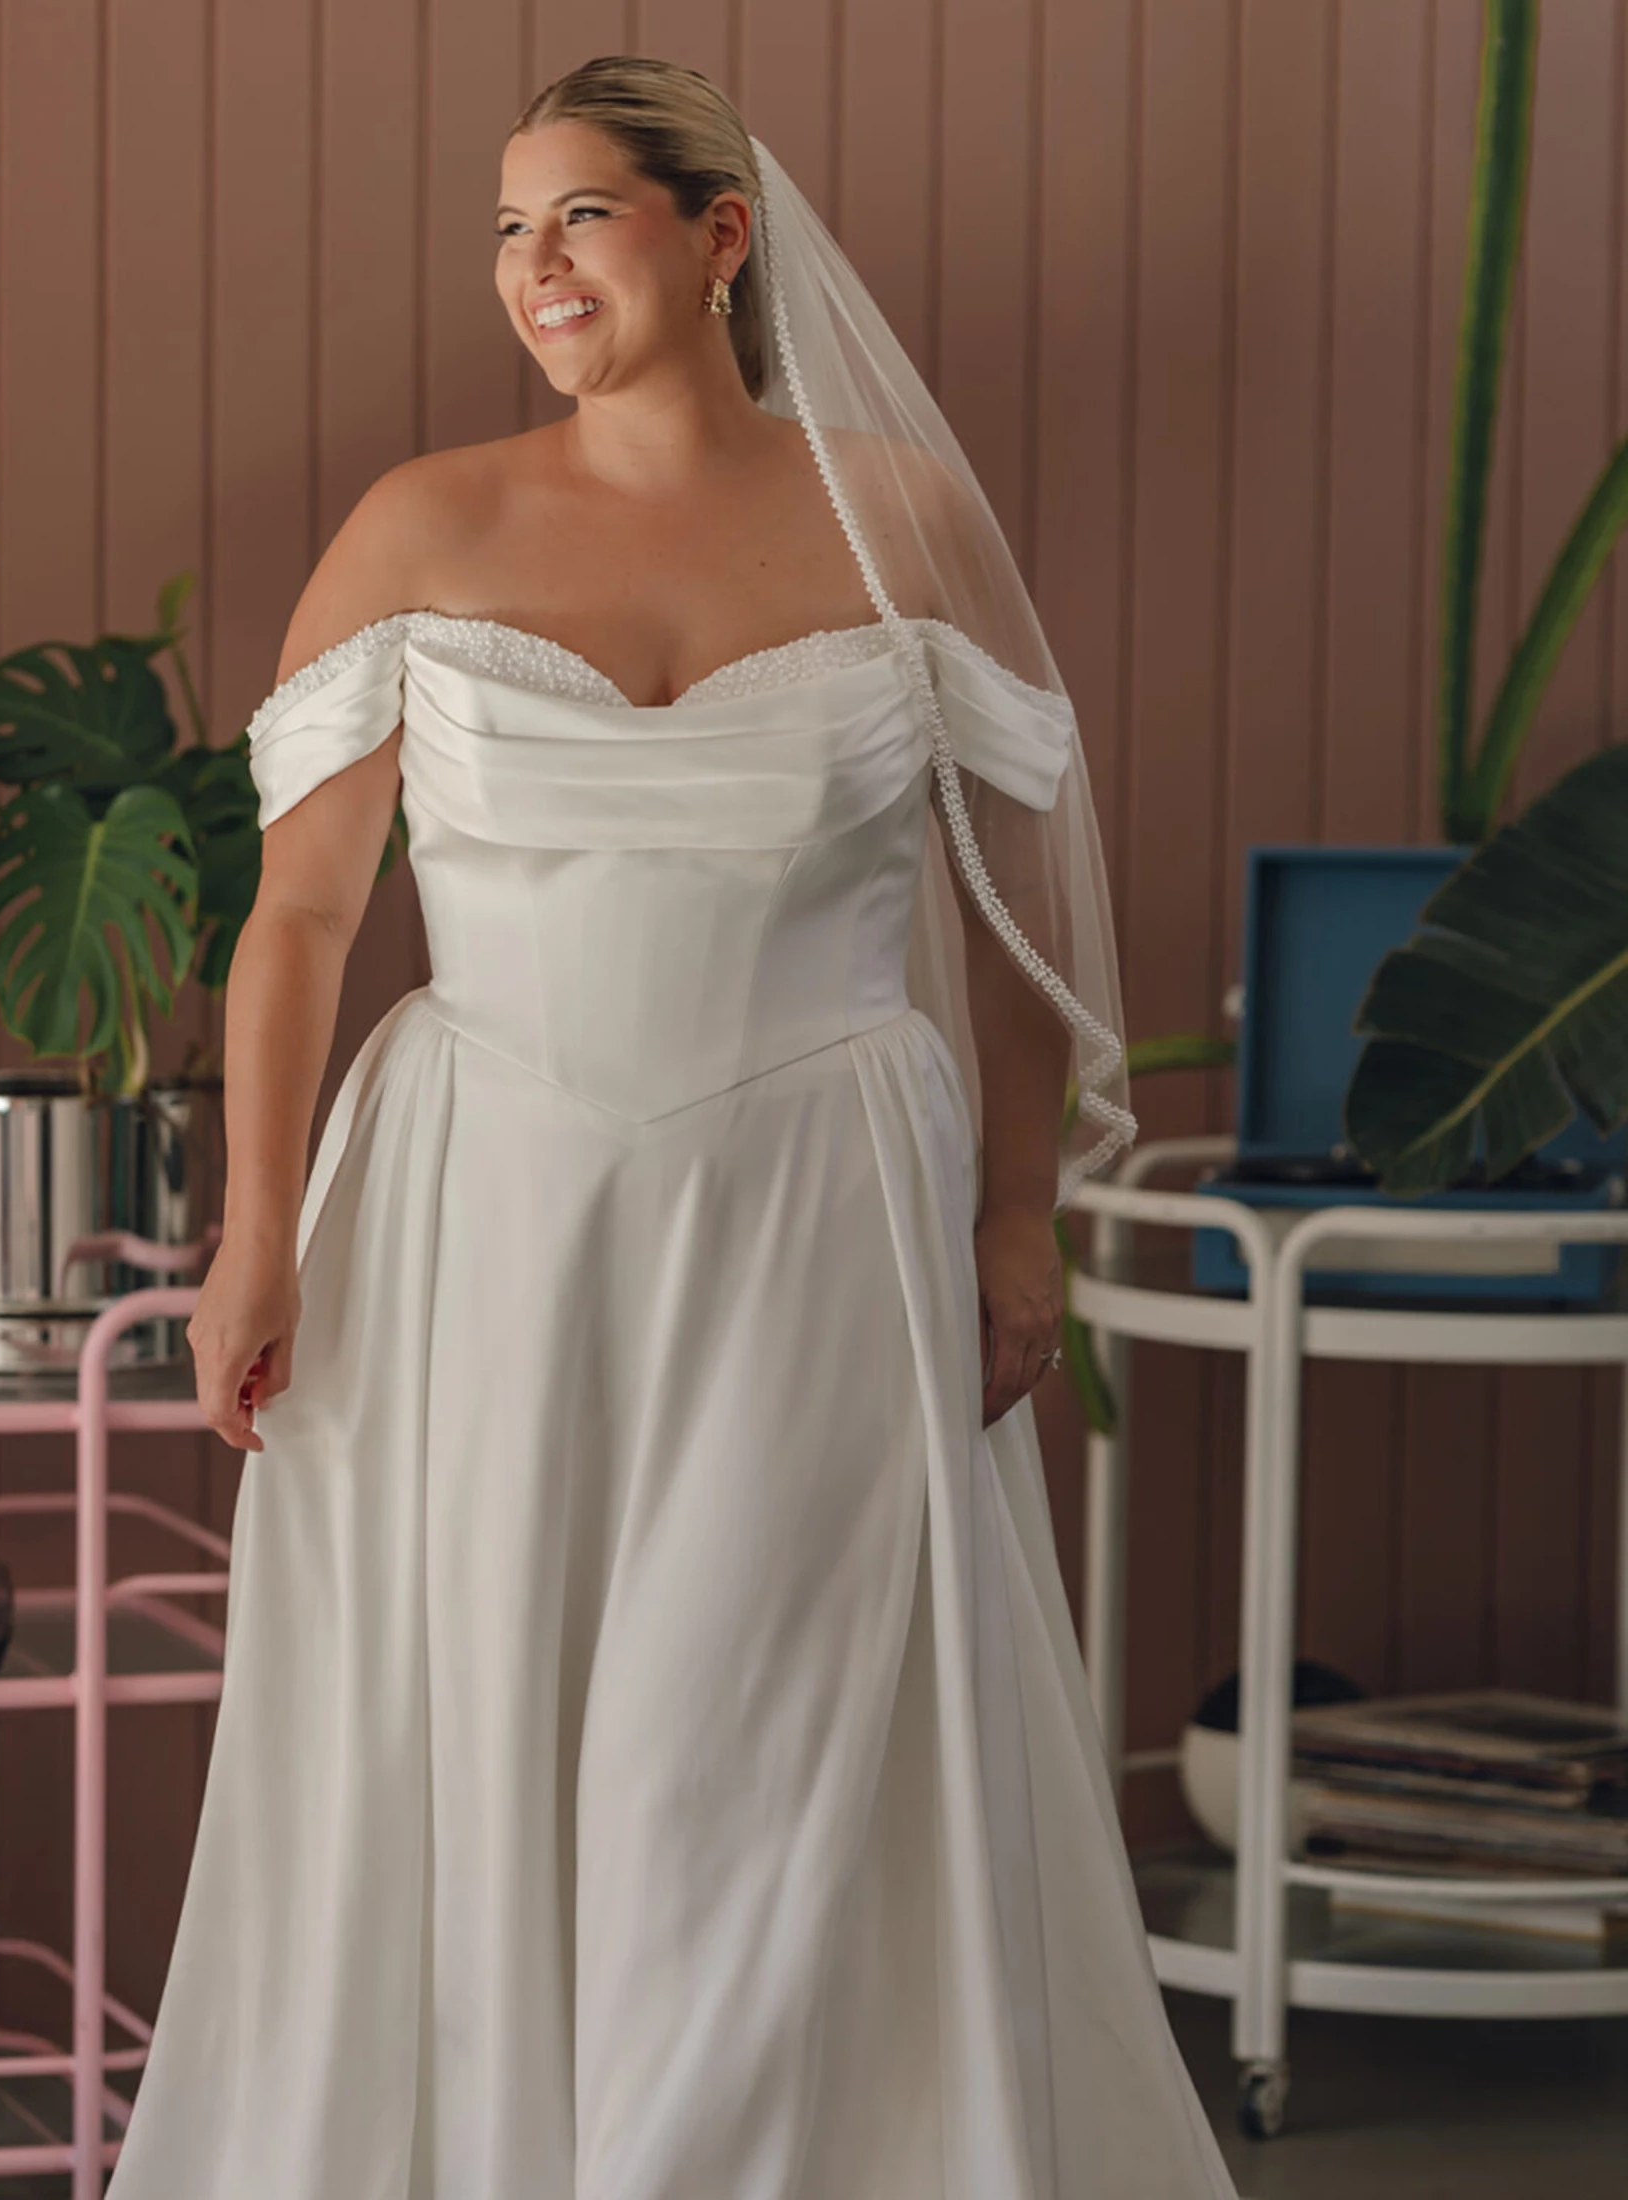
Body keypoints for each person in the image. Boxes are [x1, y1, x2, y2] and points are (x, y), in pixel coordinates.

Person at [106, 53, 1237, 2200]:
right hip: (479, 1211)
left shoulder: (901, 522)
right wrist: (255, 1234)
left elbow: (1001, 930)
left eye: (582, 219)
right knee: (489, 1729)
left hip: (818, 1205)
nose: (534, 270)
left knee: (742, 1742)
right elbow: (301, 921)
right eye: (507, 231)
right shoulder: (417, 525)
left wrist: (1020, 1216)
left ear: (717, 237)